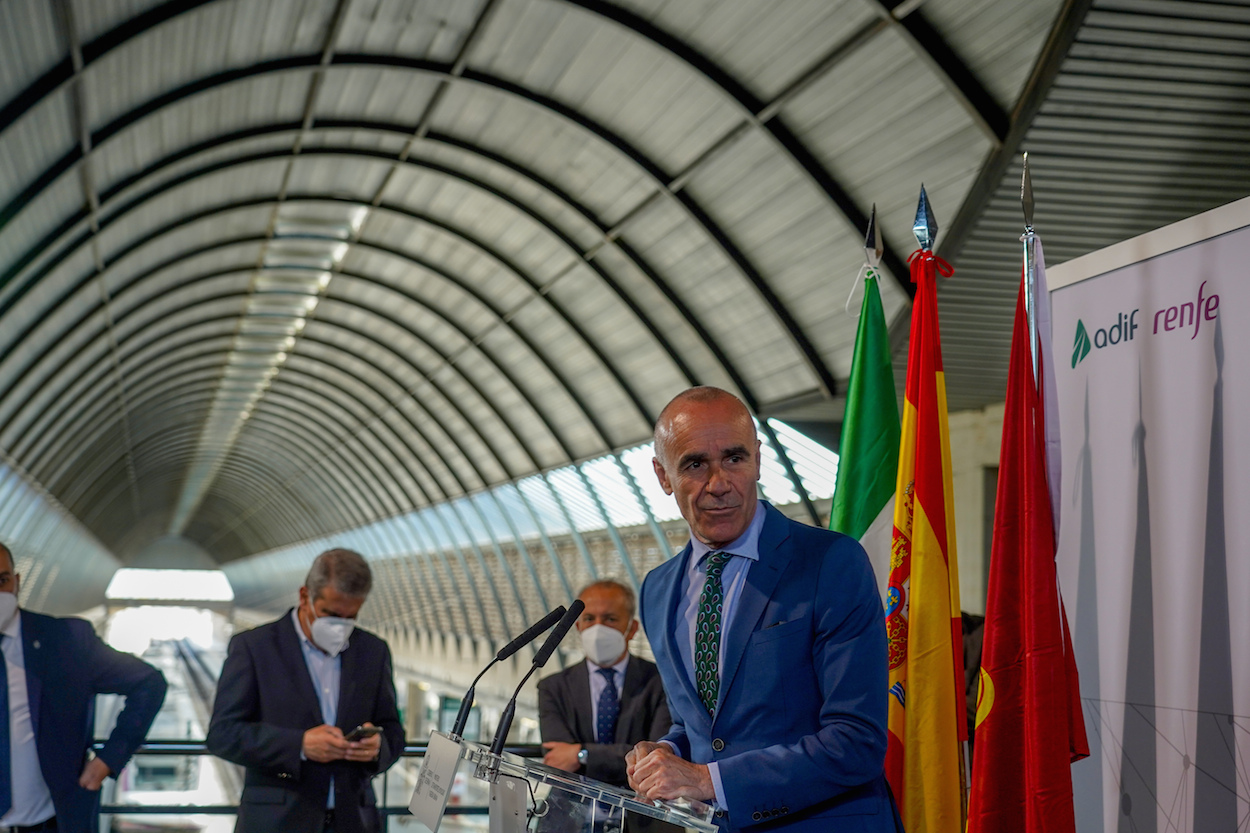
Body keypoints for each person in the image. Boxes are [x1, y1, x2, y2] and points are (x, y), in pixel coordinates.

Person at [626, 387, 902, 832]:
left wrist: (706, 779)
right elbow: (696, 724)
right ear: (663, 475)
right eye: (695, 465)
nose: (719, 484)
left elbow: (857, 742)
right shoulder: (658, 590)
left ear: (757, 459)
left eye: (734, 458)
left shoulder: (831, 563)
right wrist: (666, 752)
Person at [207, 549, 403, 833]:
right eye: (331, 614)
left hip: (353, 822)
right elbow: (222, 734)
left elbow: (394, 730)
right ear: (304, 597)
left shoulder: (373, 651)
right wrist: (298, 745)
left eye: (351, 617)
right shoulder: (254, 648)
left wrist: (378, 748)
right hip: (276, 823)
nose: (340, 626)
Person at [0, 541, 167, 833]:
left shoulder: (67, 641)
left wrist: (108, 758)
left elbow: (148, 683)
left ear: (17, 582)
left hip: (50, 822)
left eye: (1, 580)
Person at [538, 579, 670, 786]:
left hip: (640, 810)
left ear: (632, 628)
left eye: (610, 619)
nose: (598, 628)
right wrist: (624, 755)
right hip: (570, 811)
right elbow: (558, 760)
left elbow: (657, 757)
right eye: (589, 618)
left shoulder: (661, 682)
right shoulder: (553, 687)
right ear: (578, 626)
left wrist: (581, 754)